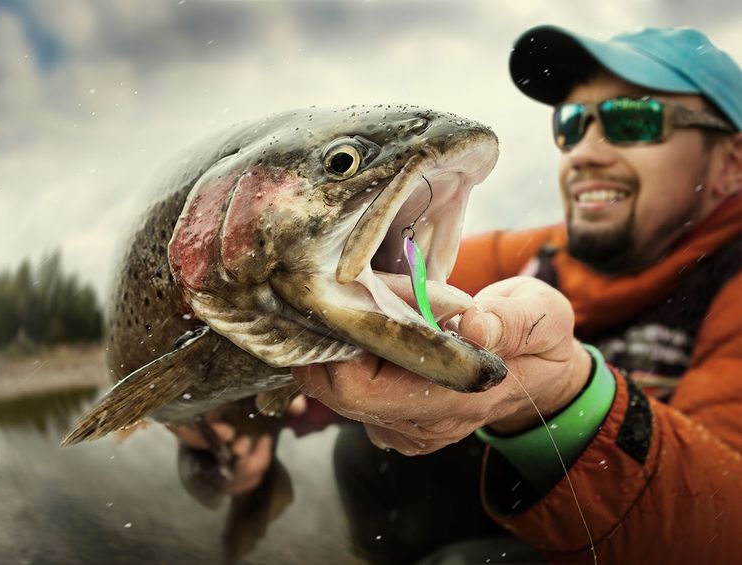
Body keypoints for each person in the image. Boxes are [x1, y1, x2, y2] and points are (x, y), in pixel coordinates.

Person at [177, 24, 742, 564]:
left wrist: (568, 397)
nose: (584, 151)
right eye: (571, 123)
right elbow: (332, 297)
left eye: (632, 120)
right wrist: (247, 416)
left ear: (731, 163)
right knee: (370, 457)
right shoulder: (534, 254)